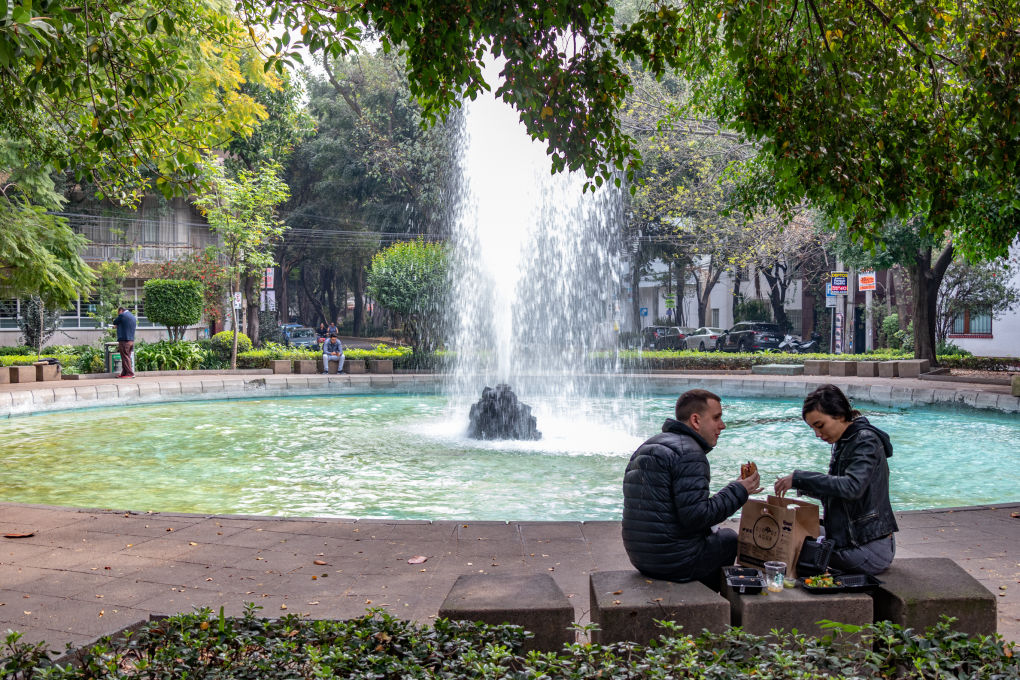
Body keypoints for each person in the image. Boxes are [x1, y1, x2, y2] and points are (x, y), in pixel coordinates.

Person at [622, 389, 761, 588]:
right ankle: (711, 602)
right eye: (716, 418)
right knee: (728, 539)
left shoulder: (650, 444)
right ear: (696, 420)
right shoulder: (690, 453)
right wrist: (739, 491)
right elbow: (696, 517)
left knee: (712, 532)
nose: (722, 426)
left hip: (640, 558)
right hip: (673, 562)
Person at [774, 384, 898, 575]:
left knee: (793, 551)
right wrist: (797, 484)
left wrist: (800, 479)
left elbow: (852, 487)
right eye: (813, 428)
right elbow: (838, 491)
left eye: (820, 425)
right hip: (851, 539)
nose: (817, 434)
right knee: (785, 535)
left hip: (869, 548)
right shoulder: (846, 440)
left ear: (839, 415)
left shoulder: (865, 441)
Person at [112, 306, 136, 378]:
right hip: (131, 340)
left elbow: (115, 322)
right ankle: (124, 373)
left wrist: (116, 325)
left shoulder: (122, 315)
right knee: (126, 357)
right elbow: (126, 326)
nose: (118, 314)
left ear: (121, 310)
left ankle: (130, 373)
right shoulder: (132, 316)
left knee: (125, 357)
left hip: (124, 340)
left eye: (118, 312)